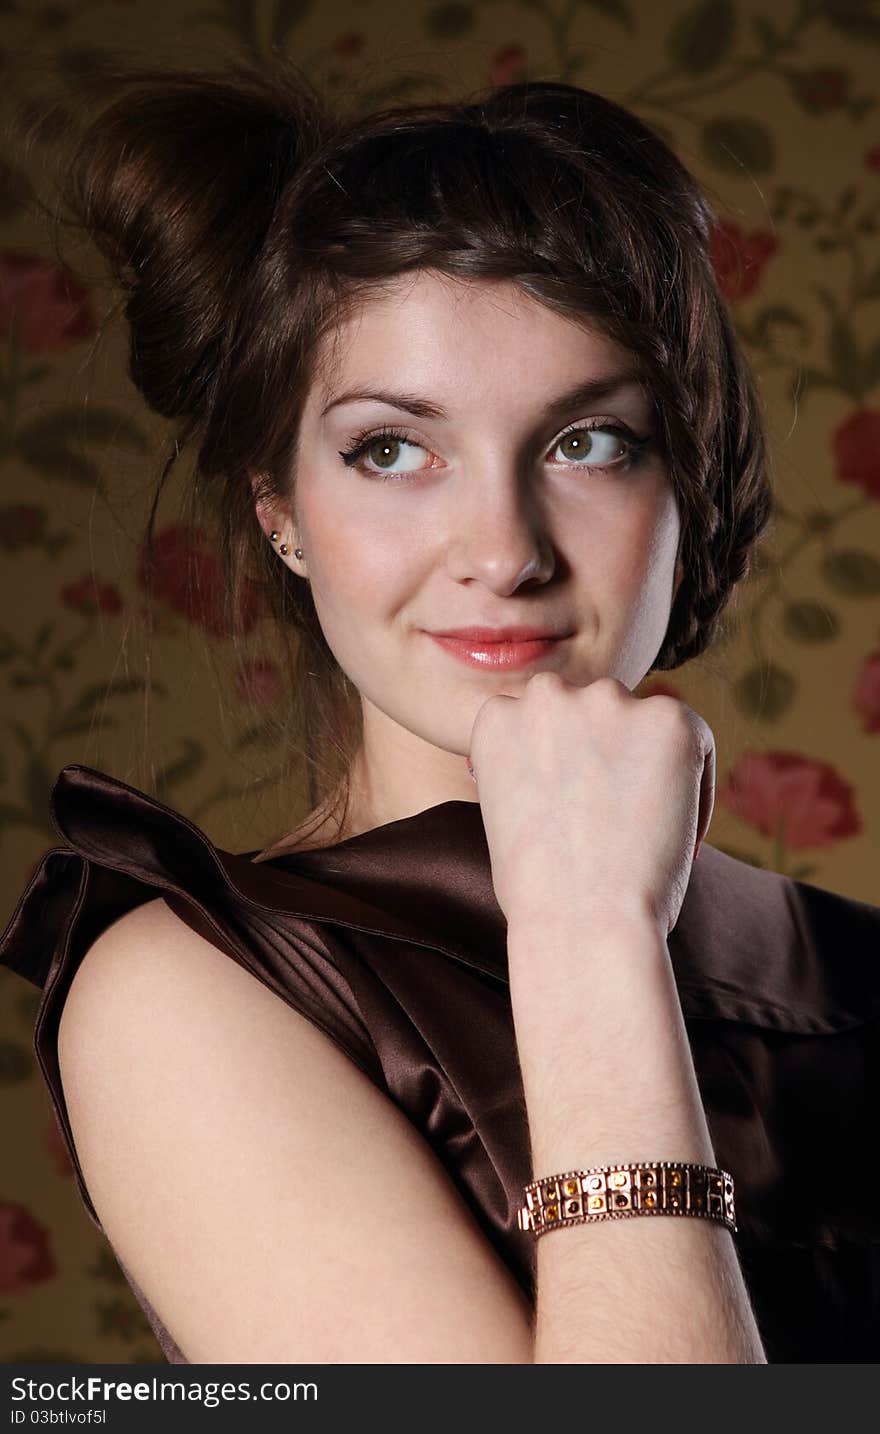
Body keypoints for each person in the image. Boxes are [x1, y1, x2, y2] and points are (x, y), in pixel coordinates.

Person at [2, 63, 878, 1366]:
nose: (501, 548)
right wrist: (585, 937)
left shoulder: (847, 966)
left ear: (685, 487)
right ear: (279, 509)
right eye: (392, 450)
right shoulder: (192, 990)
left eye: (589, 442)